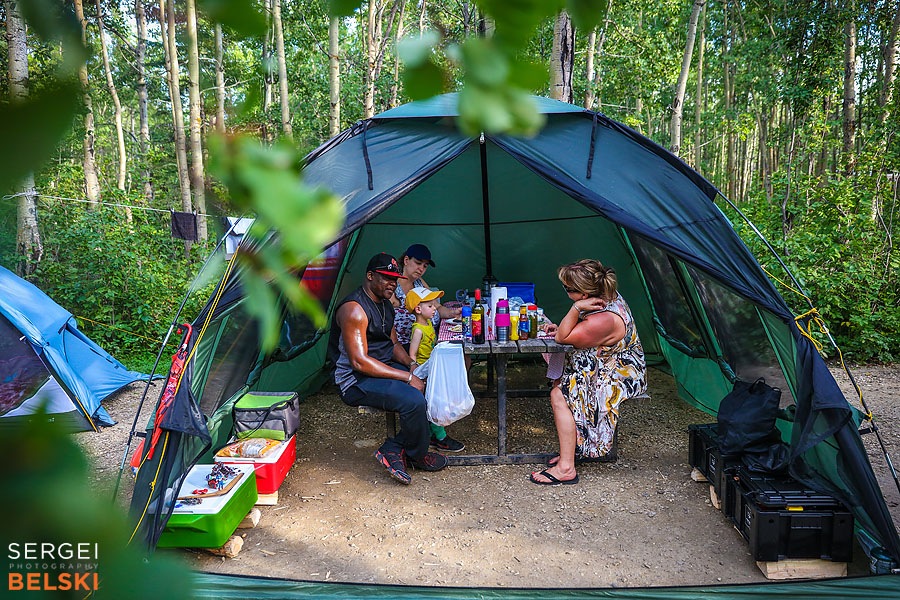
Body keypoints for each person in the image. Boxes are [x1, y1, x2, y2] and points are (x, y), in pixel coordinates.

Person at [332, 252, 449, 484]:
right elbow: (359, 361)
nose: (392, 284)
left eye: (395, 279)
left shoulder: (386, 305)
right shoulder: (355, 309)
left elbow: (393, 343)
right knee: (413, 399)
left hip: (382, 367)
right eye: (386, 278)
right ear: (369, 276)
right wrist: (407, 377)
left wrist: (412, 365)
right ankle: (415, 454)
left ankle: (397, 447)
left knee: (430, 385)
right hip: (355, 380)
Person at [530, 259, 647, 486]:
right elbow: (576, 332)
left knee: (560, 394)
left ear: (584, 295)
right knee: (562, 385)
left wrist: (574, 311)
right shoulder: (605, 295)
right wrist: (573, 321)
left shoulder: (604, 319)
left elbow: (563, 338)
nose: (565, 291)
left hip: (619, 372)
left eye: (568, 289)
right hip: (604, 362)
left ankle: (566, 468)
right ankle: (572, 451)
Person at [405, 287, 466, 452]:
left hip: (433, 366)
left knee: (437, 400)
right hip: (425, 370)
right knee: (434, 403)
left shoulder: (429, 323)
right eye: (430, 306)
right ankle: (440, 437)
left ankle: (434, 433)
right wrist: (416, 374)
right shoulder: (418, 329)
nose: (435, 309)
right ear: (418, 309)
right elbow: (412, 355)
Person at [392, 244, 461, 347]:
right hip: (409, 346)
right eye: (418, 263)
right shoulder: (393, 287)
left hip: (430, 339)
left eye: (425, 266)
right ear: (406, 260)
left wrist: (453, 312)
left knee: (462, 350)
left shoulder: (419, 282)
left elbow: (437, 306)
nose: (421, 269)